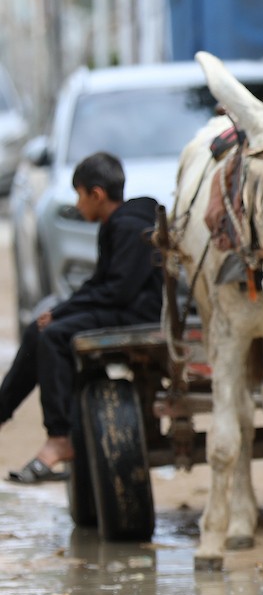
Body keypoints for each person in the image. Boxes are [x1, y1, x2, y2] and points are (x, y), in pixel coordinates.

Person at [2, 152, 163, 483]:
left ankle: (59, 436)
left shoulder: (131, 226)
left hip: (135, 313)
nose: (77, 205)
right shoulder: (117, 224)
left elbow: (118, 290)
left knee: (54, 335)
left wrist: (63, 313)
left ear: (97, 195)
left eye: (79, 196)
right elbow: (101, 283)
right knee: (38, 328)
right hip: (121, 306)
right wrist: (59, 309)